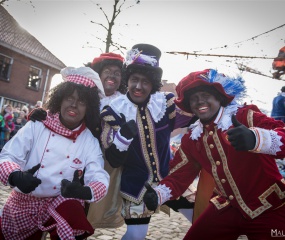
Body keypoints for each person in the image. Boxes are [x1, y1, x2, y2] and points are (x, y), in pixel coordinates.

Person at [143, 68, 285, 240]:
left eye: (205, 95)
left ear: (218, 97)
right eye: (193, 99)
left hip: (270, 207)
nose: (199, 101)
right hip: (227, 206)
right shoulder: (193, 138)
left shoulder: (245, 116)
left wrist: (256, 138)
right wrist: (158, 194)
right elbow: (180, 174)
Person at [0, 66, 110, 240]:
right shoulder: (37, 125)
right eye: (69, 98)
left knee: (72, 208)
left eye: (81, 101)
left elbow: (99, 175)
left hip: (60, 202)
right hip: (25, 201)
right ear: (60, 99)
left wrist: (84, 191)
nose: (74, 104)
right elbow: (7, 156)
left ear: (89, 108)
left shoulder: (88, 140)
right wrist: (15, 176)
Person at [100, 43, 193, 240]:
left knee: (202, 219)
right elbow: (113, 159)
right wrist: (123, 138)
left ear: (153, 83)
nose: (138, 87)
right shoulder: (113, 111)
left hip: (171, 180)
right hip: (135, 187)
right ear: (128, 79)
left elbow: (195, 114)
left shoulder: (165, 104)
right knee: (135, 235)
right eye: (134, 79)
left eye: (145, 81)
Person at [86, 52, 127, 228]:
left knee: (94, 208)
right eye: (108, 71)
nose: (112, 76)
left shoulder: (125, 102)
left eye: (117, 73)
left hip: (108, 163)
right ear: (99, 74)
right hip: (81, 156)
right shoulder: (87, 95)